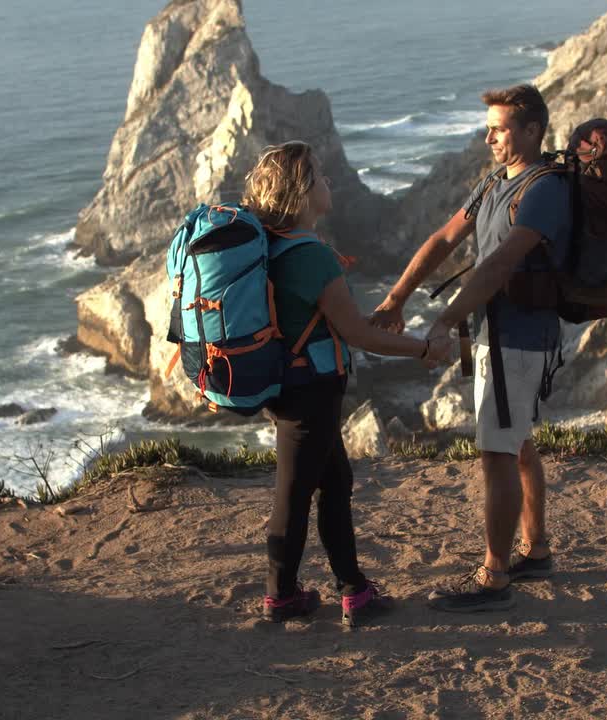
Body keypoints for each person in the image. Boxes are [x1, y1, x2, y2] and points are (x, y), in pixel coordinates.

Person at [369, 85, 570, 612]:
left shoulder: (545, 189)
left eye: (499, 129)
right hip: (492, 334)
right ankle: (537, 549)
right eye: (489, 128)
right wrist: (396, 297)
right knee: (517, 443)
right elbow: (443, 239)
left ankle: (495, 576)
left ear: (533, 131)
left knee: (497, 453)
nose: (488, 138)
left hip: (518, 340)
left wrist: (443, 321)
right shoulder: (493, 182)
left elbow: (498, 265)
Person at [244, 141, 455, 626]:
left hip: (288, 384)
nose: (329, 182)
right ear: (301, 192)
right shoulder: (311, 255)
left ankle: (353, 589)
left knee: (334, 481)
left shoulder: (272, 244)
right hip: (311, 389)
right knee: (295, 493)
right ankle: (282, 596)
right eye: (319, 175)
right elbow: (356, 333)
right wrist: (424, 349)